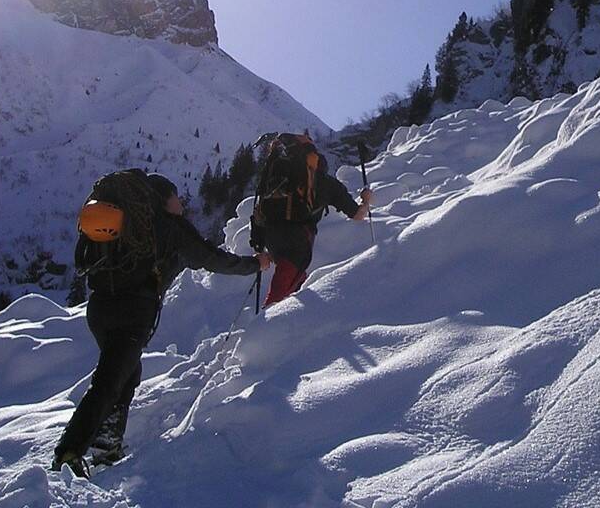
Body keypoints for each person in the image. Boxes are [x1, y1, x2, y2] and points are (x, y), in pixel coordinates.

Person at [52, 172, 270, 477]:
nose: (181, 203)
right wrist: (253, 265)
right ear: (165, 199)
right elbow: (210, 258)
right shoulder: (168, 227)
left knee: (125, 373)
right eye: (176, 197)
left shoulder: (131, 224)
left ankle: (107, 442)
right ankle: (70, 451)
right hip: (133, 313)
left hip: (100, 308)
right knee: (109, 381)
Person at [249, 133, 373, 307]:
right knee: (278, 294)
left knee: (296, 280)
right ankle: (264, 326)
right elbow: (357, 215)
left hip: (271, 236)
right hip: (298, 239)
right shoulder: (326, 183)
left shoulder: (279, 177)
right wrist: (366, 200)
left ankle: (298, 318)